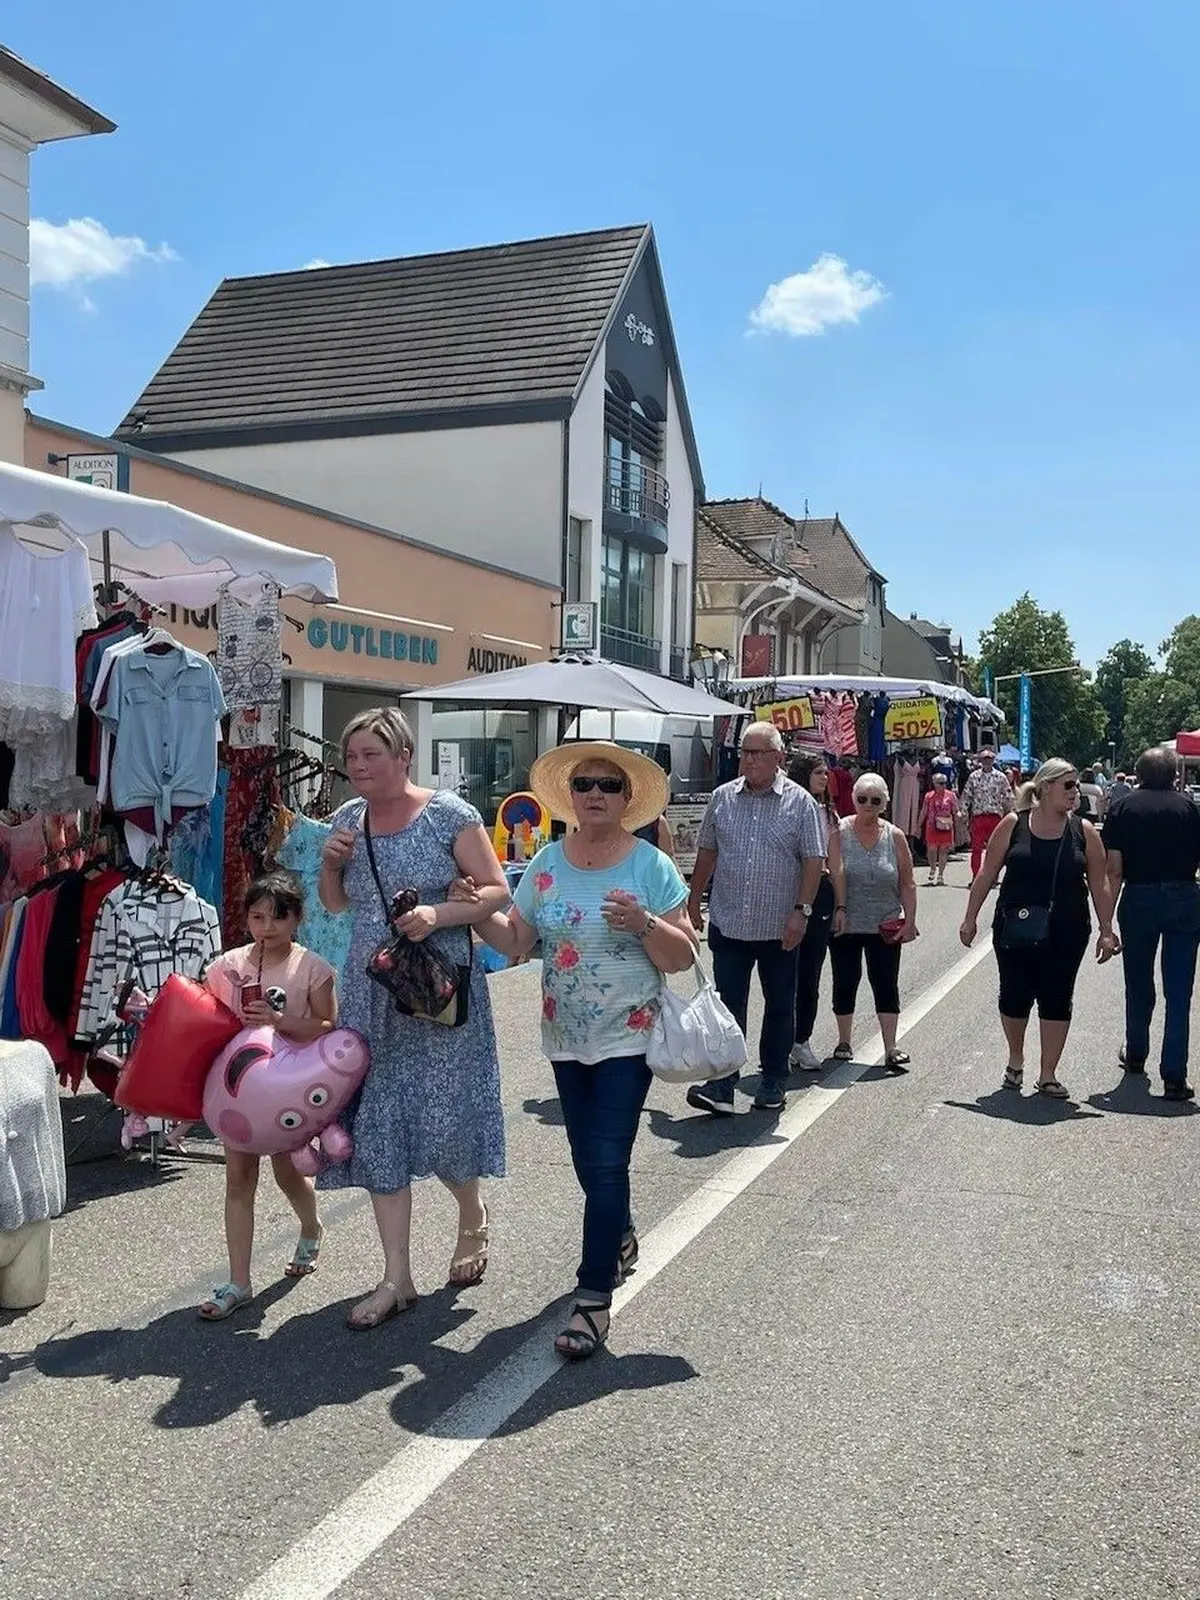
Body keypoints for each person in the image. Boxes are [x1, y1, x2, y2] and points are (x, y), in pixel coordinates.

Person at [462, 742, 695, 1360]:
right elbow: (515, 940)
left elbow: (684, 955)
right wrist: (473, 908)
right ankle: (618, 1231)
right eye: (586, 784)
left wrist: (644, 924)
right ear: (571, 795)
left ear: (627, 801)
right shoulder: (546, 863)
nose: (596, 794)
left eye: (609, 786)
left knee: (604, 1157)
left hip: (629, 1033)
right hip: (565, 1037)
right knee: (587, 1159)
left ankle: (592, 1299)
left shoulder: (649, 866)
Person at [318, 707, 510, 1331]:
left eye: (372, 755)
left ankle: (470, 1211)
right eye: (352, 757)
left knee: (447, 1119)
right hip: (373, 990)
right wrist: (328, 865)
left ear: (403, 757)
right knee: (380, 1127)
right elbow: (336, 902)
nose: (360, 767)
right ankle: (395, 1277)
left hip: (437, 991)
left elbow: (497, 890)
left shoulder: (449, 815)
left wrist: (439, 916)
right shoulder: (349, 819)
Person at [198, 872, 338, 1320]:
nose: (268, 927)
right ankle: (239, 1281)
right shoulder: (226, 967)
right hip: (236, 1093)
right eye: (257, 916)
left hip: (287, 1094)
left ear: (298, 918)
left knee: (287, 1174)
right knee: (238, 1180)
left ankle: (311, 1225)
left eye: (279, 916)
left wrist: (278, 1021)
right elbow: (208, 1026)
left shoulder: (313, 967)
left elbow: (327, 1028)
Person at [685, 722, 826, 1114]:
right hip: (730, 921)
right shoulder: (722, 798)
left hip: (779, 925)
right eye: (745, 752)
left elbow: (814, 860)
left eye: (759, 753)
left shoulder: (800, 803)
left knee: (780, 1002)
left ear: (779, 758)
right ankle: (724, 1082)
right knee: (727, 1004)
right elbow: (708, 851)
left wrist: (802, 912)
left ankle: (773, 1079)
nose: (749, 760)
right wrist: (694, 899)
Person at [959, 759, 1117, 1098]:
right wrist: (970, 916)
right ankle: (1016, 1058)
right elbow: (987, 874)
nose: (1076, 792)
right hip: (1015, 926)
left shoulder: (1083, 831)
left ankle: (1048, 1073)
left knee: (1057, 997)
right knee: (1014, 995)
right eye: (1068, 785)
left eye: (1076, 785)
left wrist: (1107, 928)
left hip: (1068, 929)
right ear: (1045, 788)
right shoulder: (1013, 824)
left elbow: (1100, 881)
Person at [1104, 745, 1200, 1100]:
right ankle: (1174, 1075)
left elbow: (1114, 870)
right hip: (1184, 896)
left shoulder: (1122, 808)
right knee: (1179, 990)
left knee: (1139, 981)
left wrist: (1106, 924)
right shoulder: (1190, 808)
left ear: (1138, 775)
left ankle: (1136, 1052)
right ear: (1174, 775)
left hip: (1139, 896)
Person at [828, 772, 919, 1070]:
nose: (868, 805)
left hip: (885, 923)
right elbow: (835, 870)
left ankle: (891, 1047)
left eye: (875, 800)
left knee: (885, 983)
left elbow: (907, 882)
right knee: (845, 980)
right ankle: (844, 1040)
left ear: (885, 803)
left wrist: (910, 920)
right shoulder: (839, 831)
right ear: (853, 799)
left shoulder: (894, 836)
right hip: (848, 922)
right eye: (862, 799)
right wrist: (839, 908)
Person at [786, 752, 842, 1071]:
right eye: (818, 772)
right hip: (788, 891)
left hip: (820, 891)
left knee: (811, 971)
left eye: (826, 773)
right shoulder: (787, 810)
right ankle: (781, 1040)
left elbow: (835, 863)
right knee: (783, 972)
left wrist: (841, 902)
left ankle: (801, 1040)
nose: (824, 778)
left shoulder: (828, 814)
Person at [962, 748, 1014, 882]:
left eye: (989, 759)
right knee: (976, 848)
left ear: (993, 760)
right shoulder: (974, 776)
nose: (987, 762)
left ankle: (993, 876)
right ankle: (976, 876)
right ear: (980, 761)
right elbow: (967, 794)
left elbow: (1008, 796)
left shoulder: (1000, 777)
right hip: (978, 816)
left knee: (994, 849)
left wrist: (1011, 814)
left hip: (995, 816)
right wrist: (962, 811)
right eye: (984, 759)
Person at [918, 771, 960, 887]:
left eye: (944, 783)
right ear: (934, 783)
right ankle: (932, 867)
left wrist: (959, 816)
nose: (943, 785)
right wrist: (918, 825)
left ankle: (941, 874)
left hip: (946, 825)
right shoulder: (929, 796)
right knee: (931, 849)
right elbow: (924, 811)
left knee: (943, 850)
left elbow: (956, 809)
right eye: (940, 783)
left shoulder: (951, 795)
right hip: (932, 825)